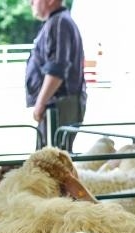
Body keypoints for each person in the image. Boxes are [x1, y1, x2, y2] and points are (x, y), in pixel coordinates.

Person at [26, 0, 86, 151]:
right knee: (52, 159)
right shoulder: (58, 21)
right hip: (58, 103)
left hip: (59, 105)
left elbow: (57, 68)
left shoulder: (59, 23)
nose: (30, 3)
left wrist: (40, 102)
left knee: (51, 162)